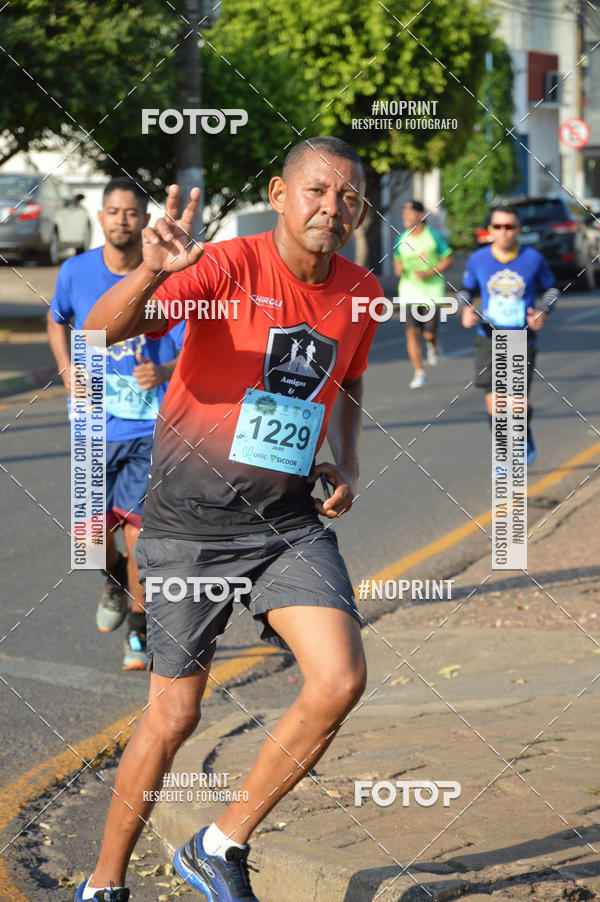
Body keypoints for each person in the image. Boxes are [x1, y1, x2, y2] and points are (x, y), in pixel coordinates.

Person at [74, 136, 383, 902]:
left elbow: (345, 383)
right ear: (278, 194)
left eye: (348, 196)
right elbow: (102, 332)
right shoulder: (226, 267)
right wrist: (152, 269)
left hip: (285, 522)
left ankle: (221, 842)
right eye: (317, 190)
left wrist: (343, 456)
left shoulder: (359, 291)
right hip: (189, 526)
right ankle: (103, 883)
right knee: (175, 712)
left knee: (340, 676)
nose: (332, 207)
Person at [47, 177, 185, 670]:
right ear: (101, 216)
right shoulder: (75, 272)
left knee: (138, 538)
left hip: (148, 429)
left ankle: (138, 634)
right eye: (113, 211)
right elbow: (57, 318)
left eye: (130, 212)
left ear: (142, 219)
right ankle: (112, 583)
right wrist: (67, 369)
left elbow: (193, 340)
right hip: (90, 427)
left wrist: (165, 370)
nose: (121, 220)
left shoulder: (167, 277)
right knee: (91, 541)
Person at [457, 204, 559, 464]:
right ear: (490, 230)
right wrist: (465, 309)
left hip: (521, 339)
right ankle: (504, 458)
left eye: (509, 227)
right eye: (498, 227)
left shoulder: (533, 258)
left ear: (518, 230)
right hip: (488, 337)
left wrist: (544, 312)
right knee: (496, 404)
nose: (504, 232)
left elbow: (552, 290)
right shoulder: (478, 259)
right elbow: (465, 290)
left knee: (517, 404)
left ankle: (524, 434)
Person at [393, 200, 453, 388]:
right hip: (408, 293)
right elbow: (397, 261)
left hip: (432, 292)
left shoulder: (433, 236)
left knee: (427, 335)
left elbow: (447, 259)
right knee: (411, 333)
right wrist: (399, 268)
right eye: (403, 212)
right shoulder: (401, 238)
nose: (405, 215)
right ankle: (419, 373)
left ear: (421, 215)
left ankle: (433, 344)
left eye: (409, 212)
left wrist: (428, 273)